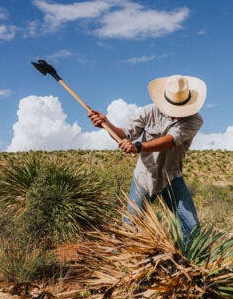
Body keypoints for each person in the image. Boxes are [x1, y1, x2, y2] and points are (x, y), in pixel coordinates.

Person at [88, 74, 206, 239]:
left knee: (191, 226)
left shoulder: (194, 120)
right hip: (143, 178)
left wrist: (138, 147)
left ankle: (191, 261)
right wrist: (106, 124)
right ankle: (124, 260)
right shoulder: (148, 112)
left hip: (171, 178)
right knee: (130, 226)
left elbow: (170, 141)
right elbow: (125, 134)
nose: (177, 114)